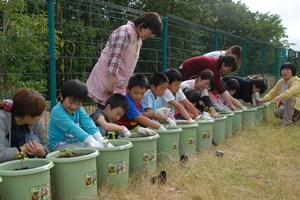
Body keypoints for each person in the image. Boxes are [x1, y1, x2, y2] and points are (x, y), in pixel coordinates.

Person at [86, 12, 163, 109]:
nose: (150, 35)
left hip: (119, 83)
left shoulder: (137, 38)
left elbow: (129, 63)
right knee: (105, 111)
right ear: (143, 24)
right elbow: (114, 60)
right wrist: (110, 85)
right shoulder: (124, 32)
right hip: (108, 81)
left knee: (114, 112)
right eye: (150, 32)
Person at [48, 79, 107, 151]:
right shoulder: (57, 111)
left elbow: (87, 122)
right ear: (62, 96)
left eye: (79, 103)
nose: (74, 106)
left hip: (76, 143)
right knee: (86, 150)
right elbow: (72, 128)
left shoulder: (79, 110)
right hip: (58, 144)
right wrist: (90, 140)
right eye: (71, 102)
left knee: (91, 147)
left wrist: (99, 137)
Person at [0, 88, 48, 163]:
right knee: (5, 142)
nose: (41, 116)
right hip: (4, 158)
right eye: (40, 114)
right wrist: (23, 149)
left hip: (19, 156)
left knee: (33, 139)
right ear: (27, 117)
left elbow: (44, 144)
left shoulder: (36, 121)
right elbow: (0, 154)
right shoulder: (2, 118)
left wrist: (42, 152)